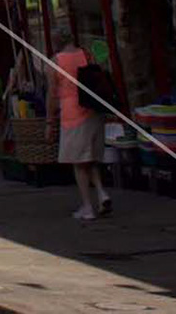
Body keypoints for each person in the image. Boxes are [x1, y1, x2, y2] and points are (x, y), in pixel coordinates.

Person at [49, 24, 110, 222]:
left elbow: (52, 94)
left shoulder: (56, 62)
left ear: (57, 40)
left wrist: (50, 121)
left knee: (79, 163)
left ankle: (87, 207)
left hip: (73, 113)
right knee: (90, 158)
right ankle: (101, 193)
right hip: (92, 110)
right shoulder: (86, 54)